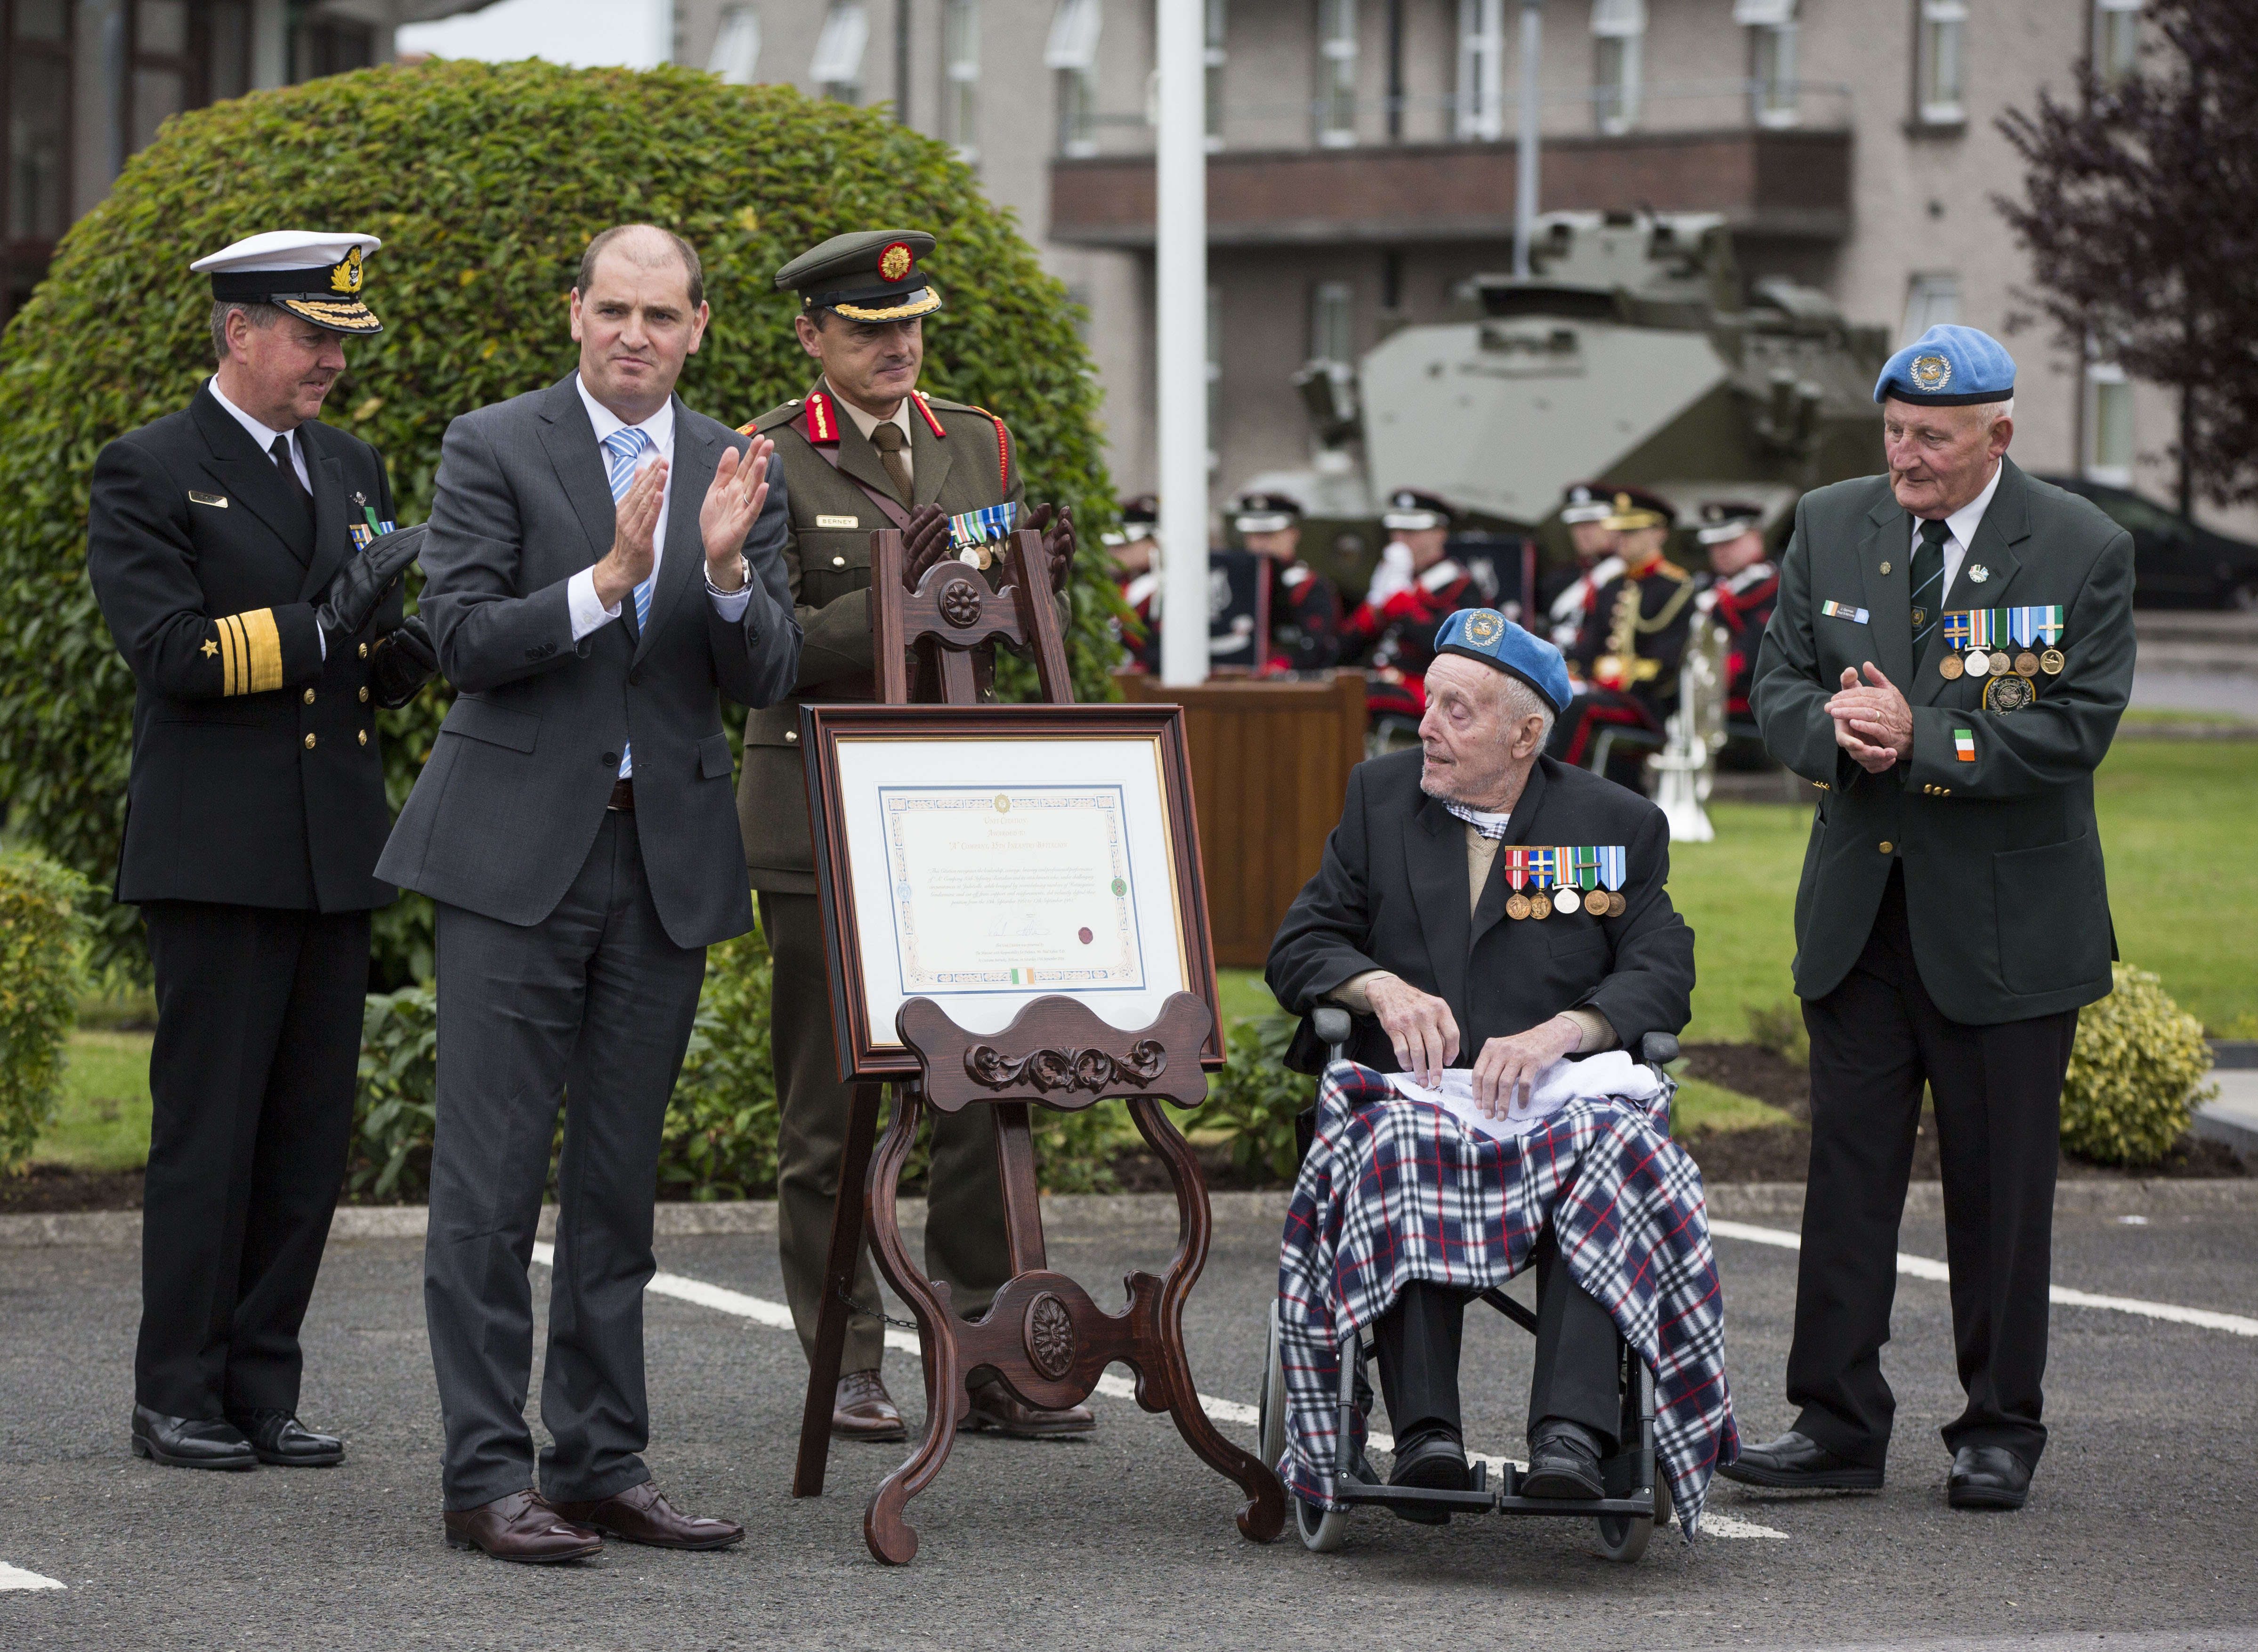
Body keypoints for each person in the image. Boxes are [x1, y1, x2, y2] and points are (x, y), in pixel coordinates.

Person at [377, 224, 799, 1562]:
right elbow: (453, 636)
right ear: (574, 314)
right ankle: (486, 1475)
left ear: (699, 326)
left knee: (618, 1188)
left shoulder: (739, 465)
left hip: (660, 863)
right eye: (612, 308)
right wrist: (601, 583)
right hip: (511, 863)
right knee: (492, 1189)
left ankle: (603, 1457)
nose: (634, 333)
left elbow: (772, 674)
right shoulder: (495, 445)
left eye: (660, 315)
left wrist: (724, 573)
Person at [1731, 324, 2135, 1512]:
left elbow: (2076, 729)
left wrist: (1933, 739)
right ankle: (1836, 1422)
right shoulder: (1831, 518)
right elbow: (1780, 685)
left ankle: (2000, 1425)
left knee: (2000, 1190)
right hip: (1864, 912)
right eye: (1895, 433)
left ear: (1999, 436)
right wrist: (1837, 738)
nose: (1906, 459)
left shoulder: (2082, 546)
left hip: (2008, 929)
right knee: (1847, 1179)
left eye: (1935, 441)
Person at [88, 230, 434, 1474]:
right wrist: (324, 621)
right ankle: (174, 1386)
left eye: (344, 339)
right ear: (239, 333)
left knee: (301, 1134)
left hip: (331, 847)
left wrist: (409, 648)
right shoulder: (152, 470)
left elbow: (367, 659)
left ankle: (261, 1383)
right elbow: (172, 653)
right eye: (312, 335)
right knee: (210, 1133)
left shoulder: (350, 464)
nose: (333, 361)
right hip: (219, 850)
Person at [733, 229, 1087, 1444]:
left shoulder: (974, 439)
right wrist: (893, 590)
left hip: (960, 812)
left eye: (912, 325)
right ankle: (845, 1358)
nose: (899, 346)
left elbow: (997, 611)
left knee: (986, 1084)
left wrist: (1029, 583)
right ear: (811, 336)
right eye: (871, 330)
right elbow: (760, 645)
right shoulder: (769, 454)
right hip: (823, 806)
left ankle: (986, 1343)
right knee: (830, 1106)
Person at [1268, 611, 1697, 1510]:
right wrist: (1378, 987)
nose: (1426, 725)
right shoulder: (1380, 800)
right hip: (1419, 1102)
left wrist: (1571, 1028)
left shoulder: (1612, 821)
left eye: (1457, 712)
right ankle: (1426, 1434)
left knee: (1613, 1157)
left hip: (1552, 1110)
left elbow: (1662, 968)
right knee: (1402, 1146)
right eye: (1429, 703)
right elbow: (1302, 943)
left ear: (1526, 734)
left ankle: (1573, 1437)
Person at [1549, 489, 1697, 777]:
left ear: (1658, 534)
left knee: (1580, 708)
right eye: (1620, 532)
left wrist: (1614, 675)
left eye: (1632, 532)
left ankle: (1555, 784)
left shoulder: (1676, 588)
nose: (1622, 539)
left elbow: (1667, 663)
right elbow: (1590, 646)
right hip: (1606, 692)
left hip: (1648, 702)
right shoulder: (1612, 585)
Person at [1342, 488, 1480, 727]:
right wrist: (1373, 611)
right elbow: (1342, 650)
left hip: (1426, 690)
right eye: (1396, 531)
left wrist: (1405, 608)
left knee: (1355, 700)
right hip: (1381, 680)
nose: (1400, 540)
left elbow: (1452, 648)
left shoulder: (1461, 585)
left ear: (1440, 533)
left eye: (1412, 531)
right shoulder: (1395, 579)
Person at [1232, 491, 1342, 672]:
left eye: (1269, 534)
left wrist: (1280, 666)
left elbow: (1317, 649)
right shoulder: (1236, 585)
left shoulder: (1310, 588)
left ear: (1293, 534)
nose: (1260, 544)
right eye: (1253, 535)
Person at [1691, 500, 1779, 722]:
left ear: (1756, 536)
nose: (1721, 551)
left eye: (1730, 541)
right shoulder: (1704, 586)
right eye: (1715, 544)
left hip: (1747, 706)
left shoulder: (1773, 589)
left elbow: (1751, 660)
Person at [1543, 481, 1624, 649]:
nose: (1584, 532)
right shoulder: (1559, 578)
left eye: (1592, 523)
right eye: (1577, 525)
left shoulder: (1624, 574)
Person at [1109, 493, 1162, 674]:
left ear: (1154, 543)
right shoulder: (1119, 585)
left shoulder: (1163, 590)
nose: (1115, 552)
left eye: (1126, 544)